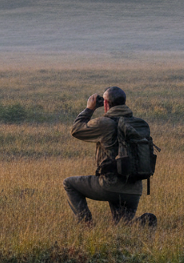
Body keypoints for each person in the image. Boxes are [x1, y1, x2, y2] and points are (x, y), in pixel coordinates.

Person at [63, 86, 156, 226]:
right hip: (134, 189)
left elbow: (76, 130)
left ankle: (86, 226)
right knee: (122, 227)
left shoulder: (105, 123)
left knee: (69, 183)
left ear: (106, 104)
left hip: (110, 185)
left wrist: (89, 109)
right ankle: (144, 222)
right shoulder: (139, 124)